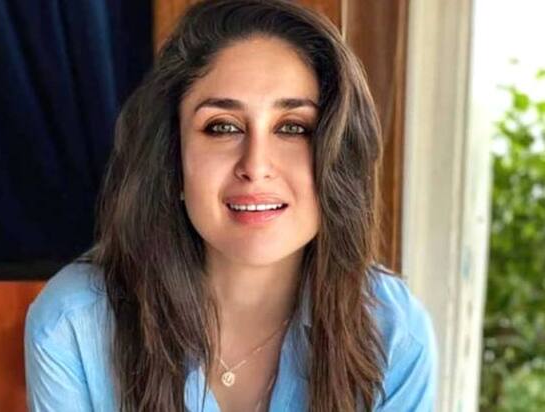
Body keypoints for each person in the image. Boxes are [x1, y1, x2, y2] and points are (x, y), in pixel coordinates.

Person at [24, 0, 437, 411]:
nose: (256, 166)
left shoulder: (393, 333)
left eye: (293, 128)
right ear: (172, 156)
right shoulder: (73, 324)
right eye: (222, 127)